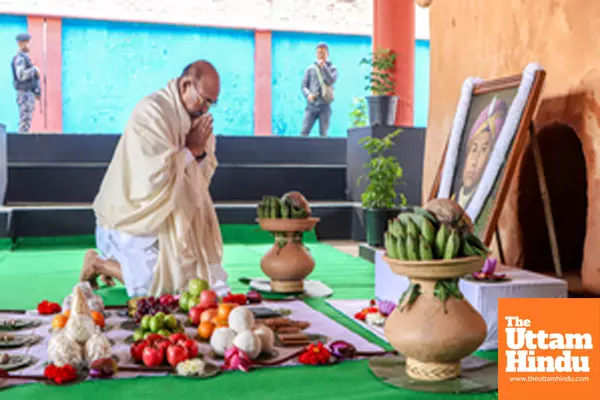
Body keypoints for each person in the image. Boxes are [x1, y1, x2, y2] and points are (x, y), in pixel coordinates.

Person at [79, 60, 228, 298]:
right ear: (186, 84)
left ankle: (121, 264)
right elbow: (152, 179)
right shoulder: (151, 112)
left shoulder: (198, 119)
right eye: (204, 100)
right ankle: (99, 263)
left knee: (203, 281)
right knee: (157, 286)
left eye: (212, 103)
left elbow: (202, 175)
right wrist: (191, 149)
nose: (206, 109)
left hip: (172, 217)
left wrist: (198, 151)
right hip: (133, 218)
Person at [452, 96, 508, 209]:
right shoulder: (451, 200)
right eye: (473, 150)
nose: (474, 161)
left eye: (483, 150)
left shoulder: (489, 206)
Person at [300, 42, 337, 137]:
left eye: (323, 53)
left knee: (323, 134)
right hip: (311, 105)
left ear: (327, 54)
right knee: (304, 132)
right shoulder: (310, 69)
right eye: (319, 52)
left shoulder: (332, 68)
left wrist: (323, 67)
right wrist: (308, 95)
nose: (321, 55)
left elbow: (331, 80)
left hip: (325, 105)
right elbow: (304, 85)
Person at [11, 33, 41, 133]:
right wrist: (34, 70)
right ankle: (21, 146)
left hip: (28, 93)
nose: (30, 45)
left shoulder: (24, 58)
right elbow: (21, 75)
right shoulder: (19, 58)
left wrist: (36, 92)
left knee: (26, 122)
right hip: (24, 94)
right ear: (20, 44)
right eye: (27, 43)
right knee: (25, 123)